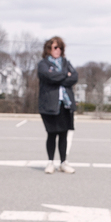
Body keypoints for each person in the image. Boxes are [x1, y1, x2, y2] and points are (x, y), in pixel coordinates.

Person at [36, 36, 78, 174]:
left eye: (60, 47)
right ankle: (50, 162)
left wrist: (58, 76)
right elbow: (48, 77)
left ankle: (63, 162)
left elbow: (74, 77)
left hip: (65, 105)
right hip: (49, 105)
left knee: (64, 135)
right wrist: (65, 74)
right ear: (48, 49)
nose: (58, 50)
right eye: (55, 47)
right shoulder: (43, 64)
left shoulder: (66, 62)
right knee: (52, 134)